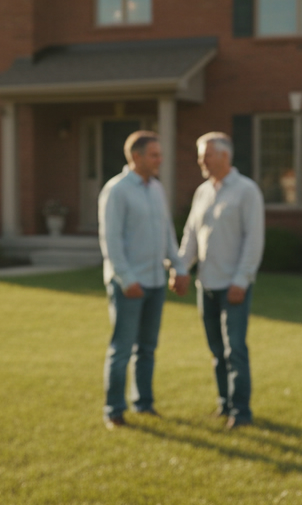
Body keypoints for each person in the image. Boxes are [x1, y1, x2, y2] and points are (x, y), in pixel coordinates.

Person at [98, 130, 187, 429]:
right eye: (154, 155)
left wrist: (178, 266)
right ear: (136, 157)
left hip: (155, 281)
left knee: (147, 348)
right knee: (122, 349)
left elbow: (167, 233)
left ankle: (144, 404)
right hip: (129, 284)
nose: (160, 159)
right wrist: (126, 278)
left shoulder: (156, 189)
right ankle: (114, 410)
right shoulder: (117, 190)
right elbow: (111, 241)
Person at [175, 132, 265, 429]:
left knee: (235, 349)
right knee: (216, 351)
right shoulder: (202, 191)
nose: (201, 160)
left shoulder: (246, 191)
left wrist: (242, 280)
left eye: (206, 155)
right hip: (207, 285)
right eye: (201, 155)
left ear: (225, 156)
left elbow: (254, 240)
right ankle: (224, 405)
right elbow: (190, 234)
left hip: (234, 285)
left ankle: (241, 412)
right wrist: (181, 268)